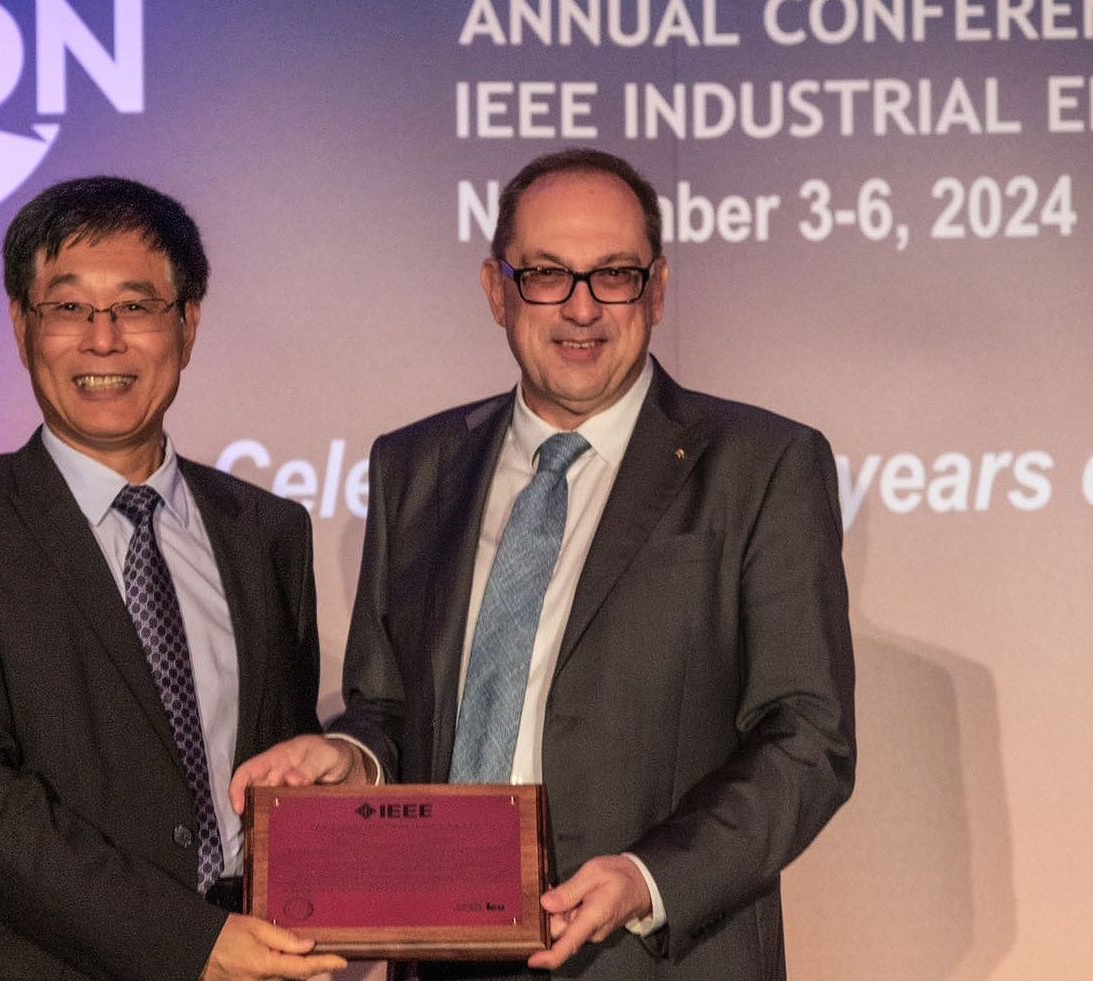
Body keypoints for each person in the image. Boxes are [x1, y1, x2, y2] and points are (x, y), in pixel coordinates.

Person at [231, 148, 855, 979]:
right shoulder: (413, 465)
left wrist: (648, 876)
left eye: (615, 274)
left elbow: (807, 738)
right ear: (496, 289)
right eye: (547, 274)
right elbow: (387, 701)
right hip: (442, 951)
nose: (582, 308)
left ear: (658, 288)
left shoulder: (761, 464)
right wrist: (352, 758)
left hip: (652, 956)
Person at [0, 177, 348, 981]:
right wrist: (189, 942)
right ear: (22, 327)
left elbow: (278, 777)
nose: (103, 340)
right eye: (67, 309)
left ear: (187, 325)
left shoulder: (265, 530)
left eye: (136, 306)